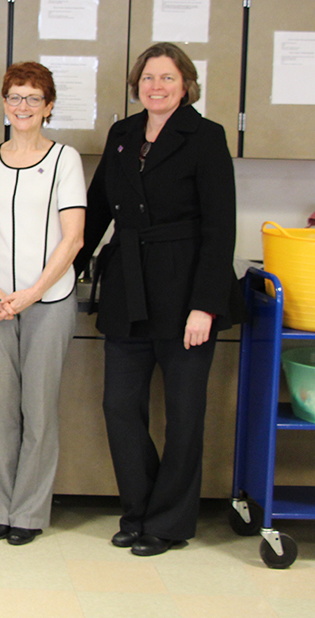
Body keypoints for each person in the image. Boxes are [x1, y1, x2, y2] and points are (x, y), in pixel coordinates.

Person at [74, 43, 242, 557]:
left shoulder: (206, 137)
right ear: (137, 84)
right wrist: (64, 274)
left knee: (185, 416)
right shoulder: (123, 134)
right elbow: (97, 210)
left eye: (167, 78)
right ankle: (138, 511)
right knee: (120, 407)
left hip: (187, 291)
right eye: (148, 78)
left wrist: (205, 305)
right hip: (129, 289)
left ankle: (168, 523)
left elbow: (220, 227)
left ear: (186, 84)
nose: (156, 86)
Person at [0, 62, 86, 546]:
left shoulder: (65, 160)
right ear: (4, 103)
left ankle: (30, 513)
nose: (22, 107)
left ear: (49, 106)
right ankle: (0, 508)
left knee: (38, 409)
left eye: (33, 98)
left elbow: (73, 238)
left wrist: (31, 294)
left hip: (49, 302)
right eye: (15, 97)